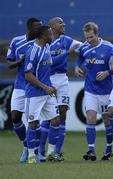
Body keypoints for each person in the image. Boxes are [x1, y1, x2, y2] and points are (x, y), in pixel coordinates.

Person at [38, 17, 81, 161]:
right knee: (49, 117)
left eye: (64, 22)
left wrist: (78, 64)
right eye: (60, 23)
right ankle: (40, 151)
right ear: (52, 26)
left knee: (62, 114)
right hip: (48, 79)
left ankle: (56, 152)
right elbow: (49, 62)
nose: (64, 24)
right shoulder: (45, 42)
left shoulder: (66, 40)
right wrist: (65, 53)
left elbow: (83, 47)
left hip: (62, 79)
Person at [74, 22, 113, 161]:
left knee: (107, 120)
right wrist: (77, 67)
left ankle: (109, 149)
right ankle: (91, 150)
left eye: (91, 37)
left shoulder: (109, 48)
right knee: (90, 117)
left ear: (97, 34)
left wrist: (107, 73)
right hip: (90, 89)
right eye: (86, 37)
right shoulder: (84, 47)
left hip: (106, 91)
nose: (88, 40)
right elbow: (79, 59)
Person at [6, 17, 42, 163]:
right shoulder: (16, 42)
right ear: (29, 28)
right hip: (20, 86)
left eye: (41, 27)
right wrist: (18, 62)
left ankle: (35, 151)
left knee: (33, 121)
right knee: (15, 117)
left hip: (33, 87)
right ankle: (26, 146)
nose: (40, 30)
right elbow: (9, 62)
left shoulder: (41, 43)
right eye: (37, 27)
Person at [24, 25, 60, 163]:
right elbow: (28, 75)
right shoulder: (33, 51)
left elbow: (45, 70)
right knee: (33, 123)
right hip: (34, 94)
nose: (52, 36)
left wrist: (51, 86)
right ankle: (32, 156)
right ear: (43, 36)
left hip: (47, 92)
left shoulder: (47, 47)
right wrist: (45, 87)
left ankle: (51, 153)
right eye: (50, 34)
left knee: (56, 119)